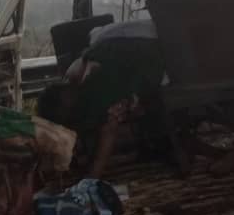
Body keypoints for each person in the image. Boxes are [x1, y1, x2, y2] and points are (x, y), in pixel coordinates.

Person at [37, 18, 164, 177]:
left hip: (162, 47)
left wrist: (92, 177)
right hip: (147, 30)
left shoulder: (95, 83)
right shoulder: (79, 71)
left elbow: (108, 130)